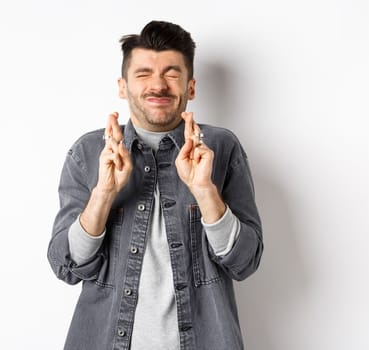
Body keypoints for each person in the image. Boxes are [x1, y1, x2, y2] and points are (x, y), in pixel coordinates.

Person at [47, 20, 263, 350]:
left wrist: (204, 191)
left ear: (190, 87)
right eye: (144, 73)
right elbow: (67, 266)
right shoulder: (90, 153)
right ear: (123, 86)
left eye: (172, 73)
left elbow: (245, 262)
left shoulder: (221, 148)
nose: (158, 85)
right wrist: (104, 194)